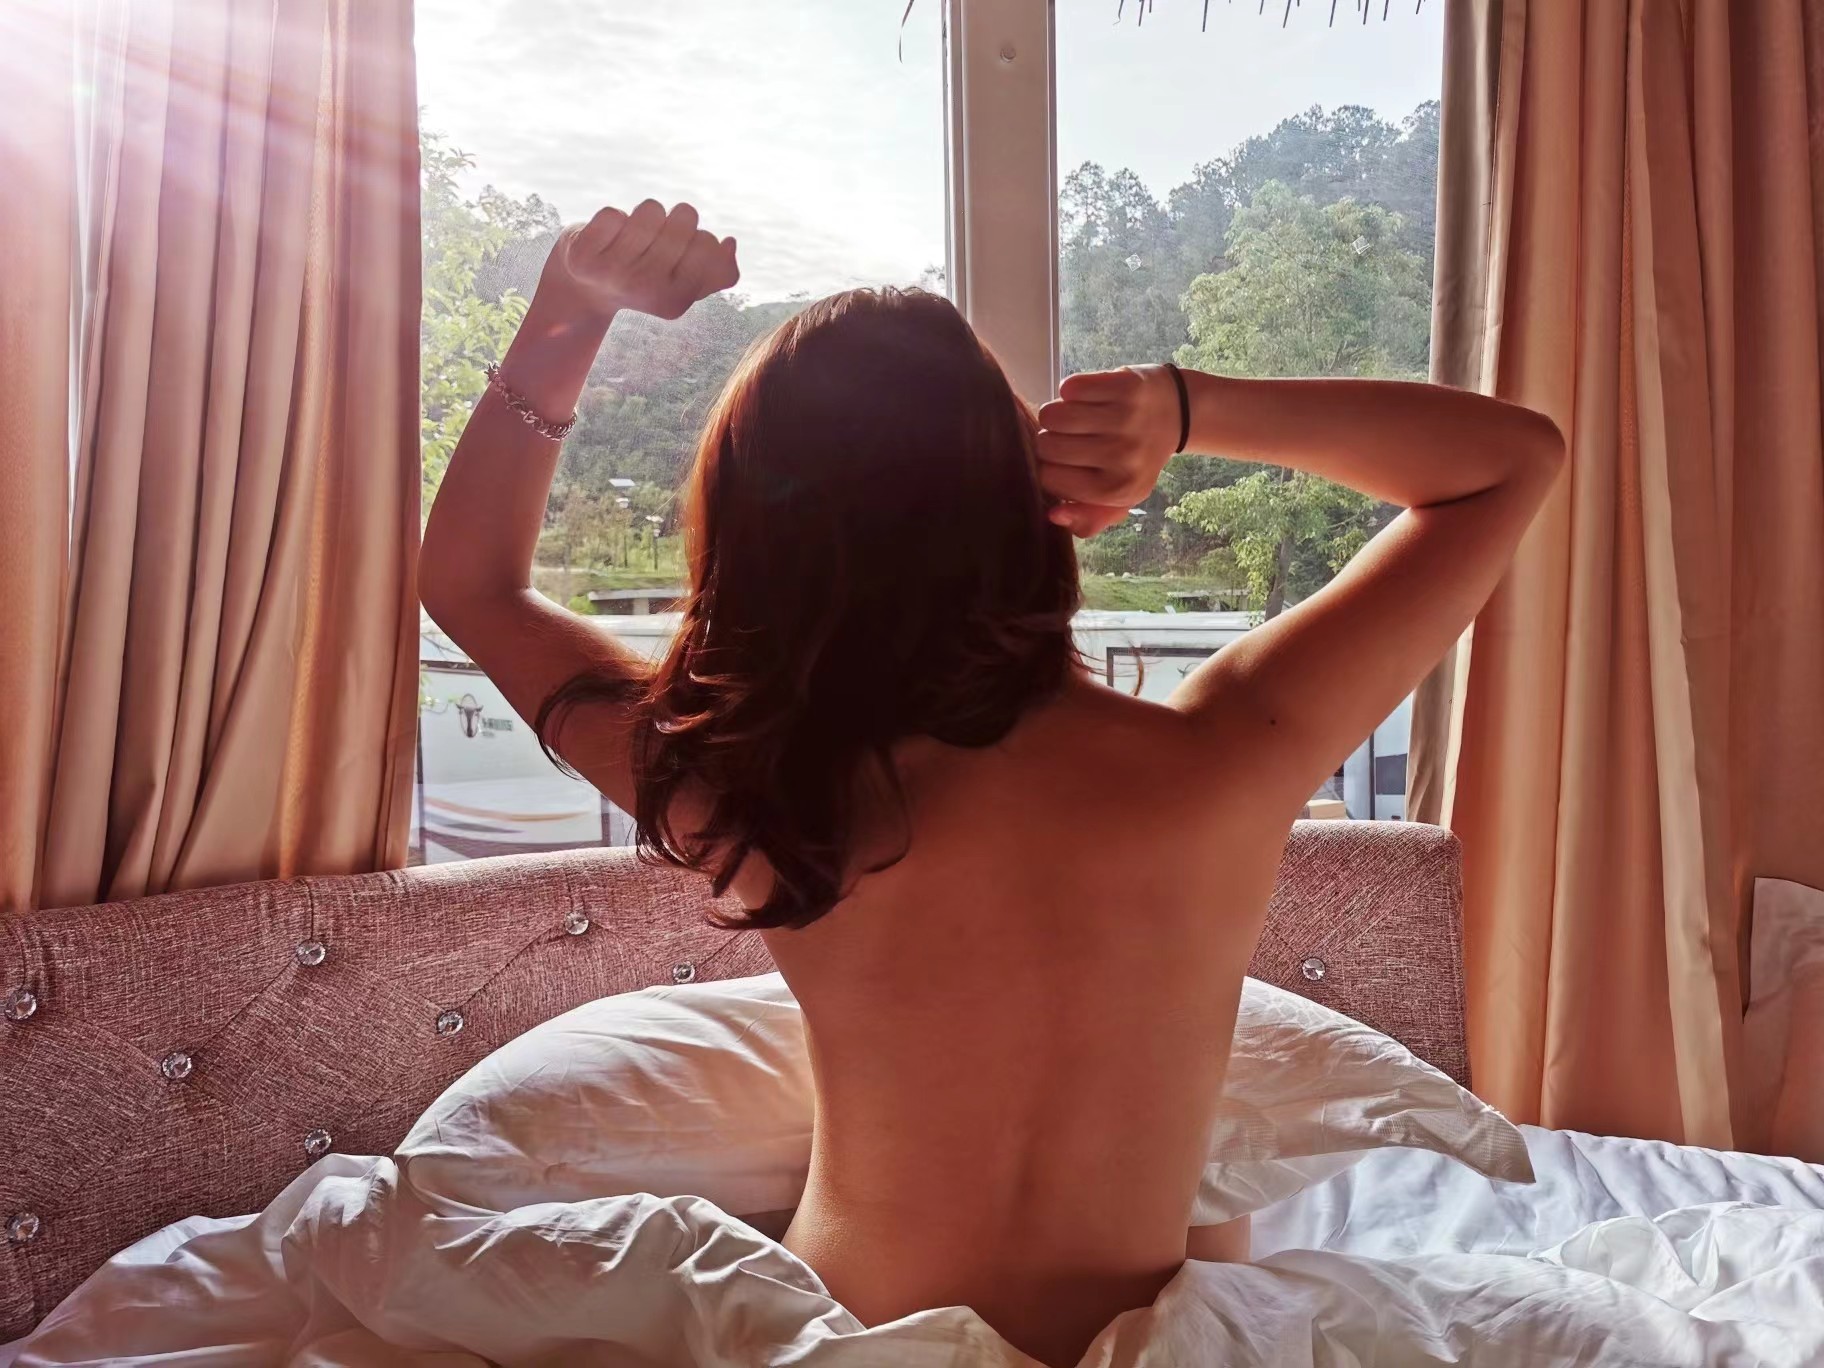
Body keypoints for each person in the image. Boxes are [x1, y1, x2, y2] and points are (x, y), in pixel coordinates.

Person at [420, 199, 1564, 1367]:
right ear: (1036, 504)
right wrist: (1184, 410)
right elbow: (1508, 463)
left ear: (754, 542)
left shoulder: (756, 795)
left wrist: (573, 307)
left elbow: (470, 586)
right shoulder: (1222, 757)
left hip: (855, 1345)